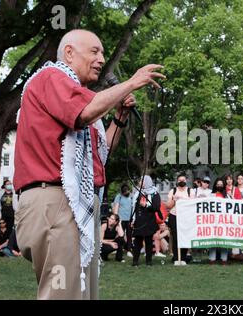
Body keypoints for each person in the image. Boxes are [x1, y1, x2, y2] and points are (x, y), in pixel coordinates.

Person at [13, 29, 165, 299]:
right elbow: (83, 113)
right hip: (56, 200)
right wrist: (130, 83)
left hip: (74, 203)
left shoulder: (78, 94)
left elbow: (100, 154)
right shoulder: (51, 77)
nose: (101, 59)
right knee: (63, 294)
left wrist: (118, 118)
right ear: (69, 53)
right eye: (94, 51)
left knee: (82, 293)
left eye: (103, 53)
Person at [131, 176, 161, 267]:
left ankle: (149, 261)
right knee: (137, 242)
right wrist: (133, 219)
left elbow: (156, 207)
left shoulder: (154, 193)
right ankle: (135, 261)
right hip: (139, 221)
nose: (140, 182)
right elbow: (134, 208)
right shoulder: (138, 193)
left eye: (142, 181)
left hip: (149, 221)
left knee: (148, 242)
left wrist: (146, 205)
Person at [166, 173, 195, 265]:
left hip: (186, 217)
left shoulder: (191, 191)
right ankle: (176, 258)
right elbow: (168, 206)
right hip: (174, 216)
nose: (181, 181)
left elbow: (193, 205)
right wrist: (174, 200)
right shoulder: (173, 191)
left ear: (186, 181)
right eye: (180, 180)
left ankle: (183, 257)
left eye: (183, 180)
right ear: (177, 182)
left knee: (185, 236)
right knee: (175, 237)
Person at [208, 178, 229, 265]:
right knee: (213, 239)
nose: (219, 186)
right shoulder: (211, 195)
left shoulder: (227, 195)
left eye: (221, 184)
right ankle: (212, 259)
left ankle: (224, 259)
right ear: (215, 185)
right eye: (218, 184)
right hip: (213, 220)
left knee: (224, 239)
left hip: (224, 220)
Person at [112, 184, 133, 256]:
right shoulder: (119, 196)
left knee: (129, 235)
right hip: (121, 219)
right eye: (125, 192)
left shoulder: (131, 197)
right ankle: (117, 248)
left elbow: (132, 208)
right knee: (119, 234)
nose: (127, 192)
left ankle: (129, 250)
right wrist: (116, 219)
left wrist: (133, 219)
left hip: (129, 219)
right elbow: (116, 208)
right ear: (122, 192)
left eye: (128, 191)